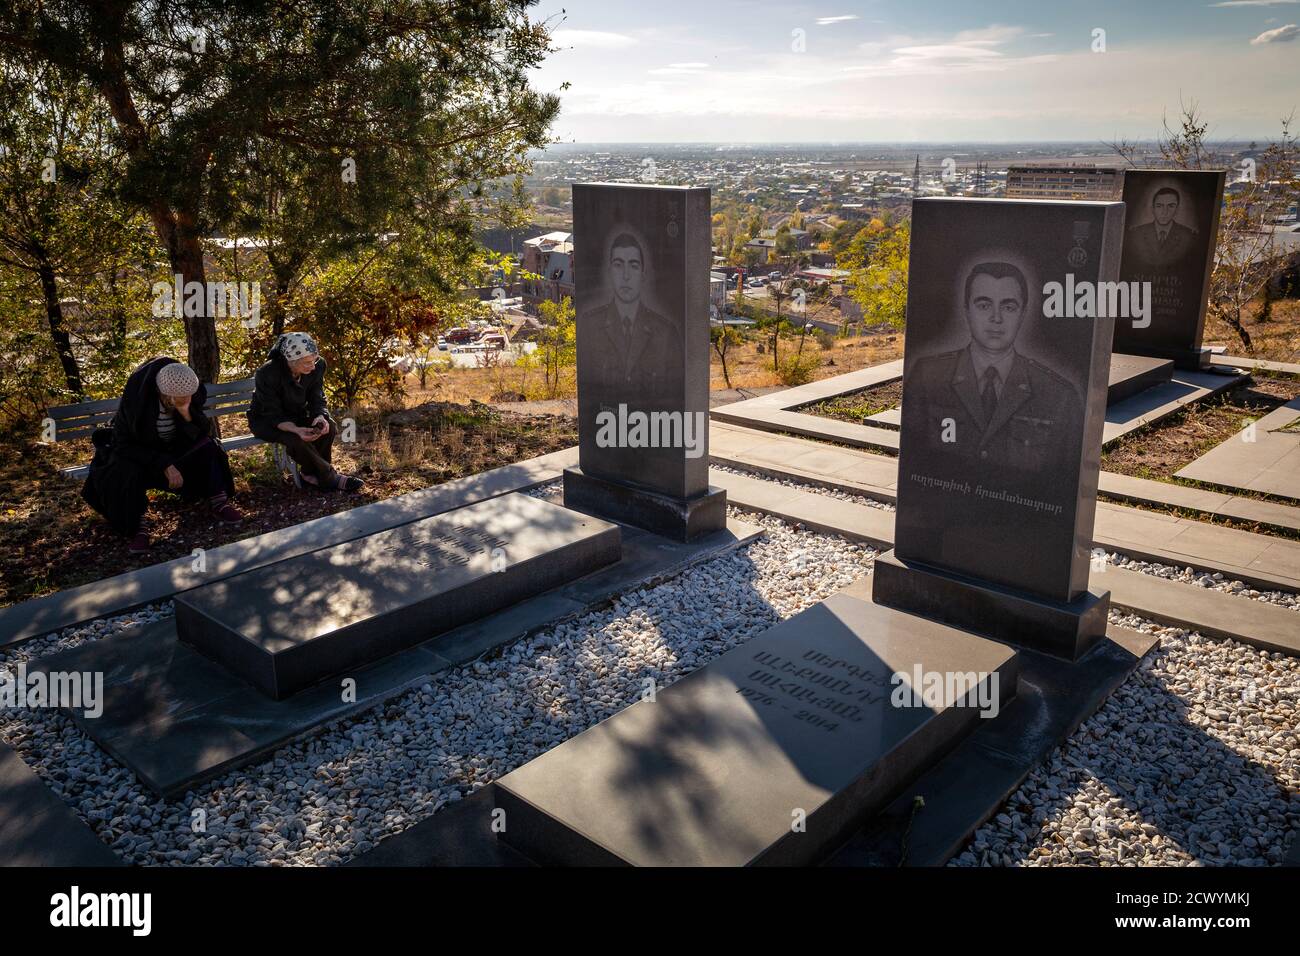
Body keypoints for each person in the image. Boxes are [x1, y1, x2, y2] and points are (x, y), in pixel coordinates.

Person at [905, 261, 1082, 472]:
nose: (996, 318)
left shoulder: (1060, 396)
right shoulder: (927, 375)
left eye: (1008, 307)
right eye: (984, 305)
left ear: (1022, 313)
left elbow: (1064, 479)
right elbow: (914, 459)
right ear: (966, 311)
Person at [81, 358, 241, 554]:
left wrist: (186, 413)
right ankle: (137, 526)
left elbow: (201, 432)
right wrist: (164, 464)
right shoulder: (136, 402)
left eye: (188, 397)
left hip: (173, 450)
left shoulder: (189, 397)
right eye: (179, 398)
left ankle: (219, 501)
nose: (186, 400)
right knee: (124, 470)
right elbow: (123, 444)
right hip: (140, 454)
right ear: (163, 393)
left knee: (208, 447)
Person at [247, 332, 364, 492]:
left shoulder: (318, 366)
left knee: (328, 427)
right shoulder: (267, 373)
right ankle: (330, 478)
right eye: (307, 362)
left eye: (314, 360)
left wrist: (319, 415)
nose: (313, 366)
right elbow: (272, 414)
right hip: (266, 420)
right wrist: (296, 429)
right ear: (291, 361)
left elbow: (317, 397)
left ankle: (309, 475)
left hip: (296, 415)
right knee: (296, 439)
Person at [583, 232, 677, 402]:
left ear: (643, 274)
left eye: (633, 266)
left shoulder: (666, 332)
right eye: (618, 265)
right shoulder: (590, 326)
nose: (626, 276)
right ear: (610, 271)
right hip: (606, 422)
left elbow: (673, 399)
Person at [1125, 186, 1198, 270]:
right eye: (1159, 206)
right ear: (1153, 209)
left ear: (1177, 209)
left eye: (1171, 206)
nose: (1165, 212)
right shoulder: (1136, 233)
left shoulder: (1189, 236)